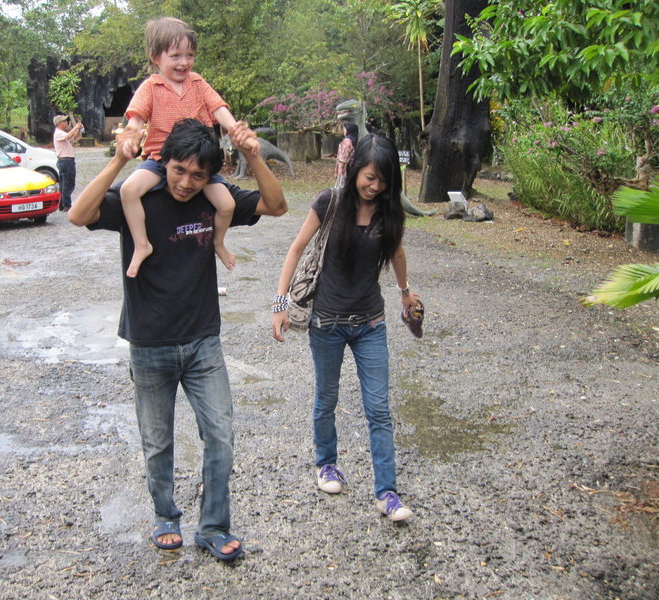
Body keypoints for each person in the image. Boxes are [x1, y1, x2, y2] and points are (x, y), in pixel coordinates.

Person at [68, 118, 287, 561]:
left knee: (221, 437)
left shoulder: (214, 200)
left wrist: (253, 154)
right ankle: (166, 516)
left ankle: (213, 526)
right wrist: (117, 161)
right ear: (164, 162)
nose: (186, 183)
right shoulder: (140, 198)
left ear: (211, 176)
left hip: (203, 341)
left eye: (198, 175)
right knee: (158, 441)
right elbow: (78, 214)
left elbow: (276, 205)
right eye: (178, 171)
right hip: (149, 343)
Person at [271, 133, 418, 522]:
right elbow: (295, 248)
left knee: (379, 409)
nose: (375, 186)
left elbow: (397, 252)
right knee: (327, 399)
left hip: (371, 323)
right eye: (370, 177)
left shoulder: (388, 213)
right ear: (355, 170)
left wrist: (405, 292)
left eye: (384, 181)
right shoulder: (329, 202)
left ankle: (387, 492)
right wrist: (280, 304)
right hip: (327, 323)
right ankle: (326, 464)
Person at [119, 16, 259, 278]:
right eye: (175, 56)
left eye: (190, 55)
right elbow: (135, 120)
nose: (184, 62)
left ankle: (218, 242)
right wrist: (130, 139)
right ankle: (142, 244)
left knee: (227, 205)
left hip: (199, 162)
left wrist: (237, 132)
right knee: (129, 190)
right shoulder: (150, 87)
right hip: (162, 159)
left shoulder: (198, 83)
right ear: (155, 57)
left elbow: (219, 110)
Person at [53, 114, 83, 211]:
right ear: (59, 123)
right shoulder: (58, 133)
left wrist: (78, 129)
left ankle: (62, 204)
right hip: (66, 160)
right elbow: (69, 135)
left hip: (65, 161)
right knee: (68, 183)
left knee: (63, 183)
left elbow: (74, 137)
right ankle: (67, 204)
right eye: (64, 121)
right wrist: (76, 127)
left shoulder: (61, 133)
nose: (66, 123)